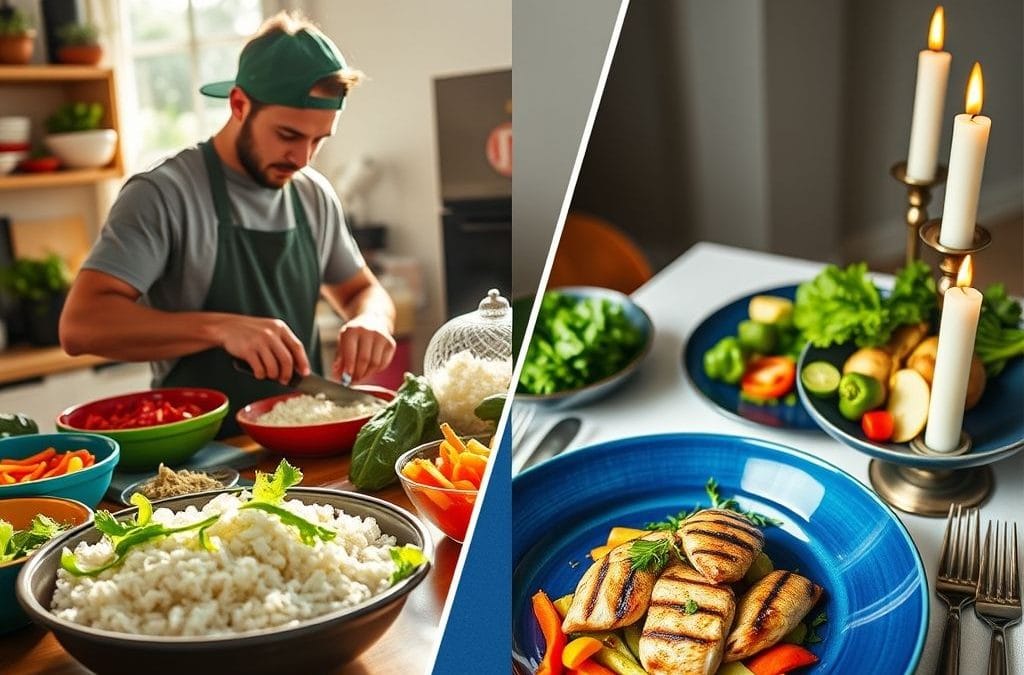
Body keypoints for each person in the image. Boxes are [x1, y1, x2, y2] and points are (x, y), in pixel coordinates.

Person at [60, 12, 396, 437]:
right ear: (239, 105)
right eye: (288, 135)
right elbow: (81, 325)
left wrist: (371, 320)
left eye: (319, 140)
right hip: (195, 452)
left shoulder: (313, 193)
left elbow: (362, 290)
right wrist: (220, 327)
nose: (302, 158)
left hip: (302, 440)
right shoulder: (163, 193)